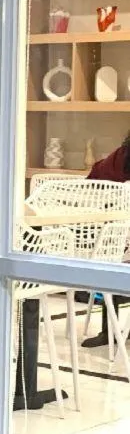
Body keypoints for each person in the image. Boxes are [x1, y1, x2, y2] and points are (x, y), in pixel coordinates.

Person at [83, 131, 130, 347]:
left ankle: (108, 330)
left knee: (110, 257)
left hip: (115, 237)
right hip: (120, 237)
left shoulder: (119, 157)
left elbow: (93, 179)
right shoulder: (120, 157)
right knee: (113, 255)